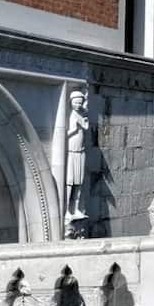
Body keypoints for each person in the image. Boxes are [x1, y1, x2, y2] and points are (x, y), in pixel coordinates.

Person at [65, 90, 88, 218]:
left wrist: (84, 122)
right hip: (71, 151)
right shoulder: (70, 115)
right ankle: (67, 209)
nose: (78, 105)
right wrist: (74, 128)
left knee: (79, 182)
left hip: (81, 151)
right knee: (70, 181)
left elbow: (86, 127)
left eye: (80, 103)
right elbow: (67, 133)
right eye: (75, 103)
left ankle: (77, 208)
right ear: (71, 102)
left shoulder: (82, 114)